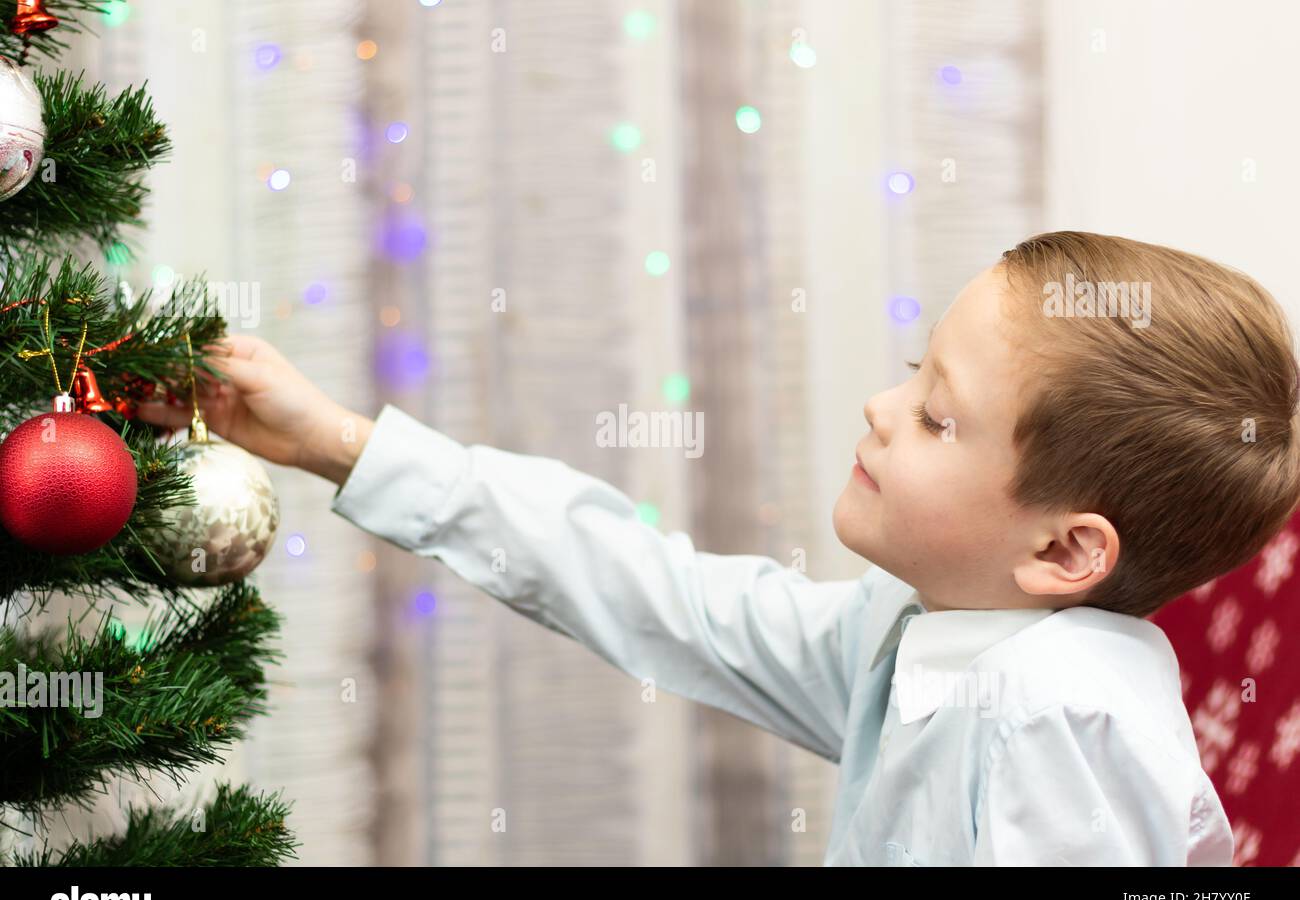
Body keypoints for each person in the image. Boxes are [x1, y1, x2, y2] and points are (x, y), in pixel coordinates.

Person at [138, 231, 1300, 865]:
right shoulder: (925, 633)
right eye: (913, 371)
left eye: (938, 415)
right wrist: (338, 442)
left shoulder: (1057, 714)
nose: (879, 409)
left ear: (1062, 550)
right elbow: (658, 595)